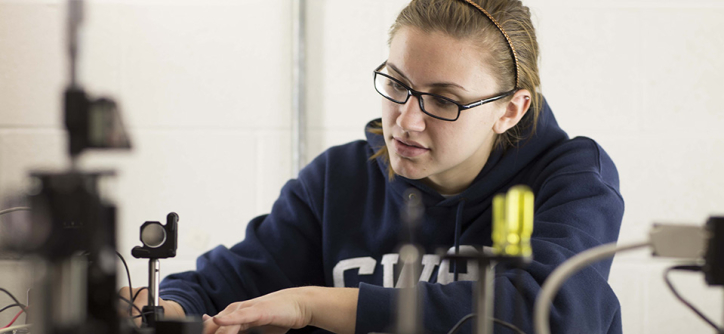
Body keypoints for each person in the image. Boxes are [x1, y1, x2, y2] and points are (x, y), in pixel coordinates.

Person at [121, 0, 624, 333]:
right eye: (398, 85)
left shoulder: (573, 179)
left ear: (509, 109)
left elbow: (551, 312)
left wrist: (314, 306)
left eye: (443, 101)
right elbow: (223, 284)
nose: (406, 121)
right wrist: (164, 307)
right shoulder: (336, 180)